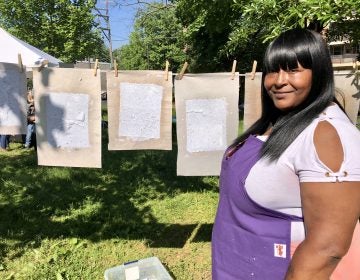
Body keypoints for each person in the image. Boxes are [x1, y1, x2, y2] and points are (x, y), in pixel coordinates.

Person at [212, 28, 360, 280]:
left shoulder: (327, 134)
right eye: (272, 70)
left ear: (319, 73)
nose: (278, 81)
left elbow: (327, 248)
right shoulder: (281, 119)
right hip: (236, 264)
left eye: (293, 70)